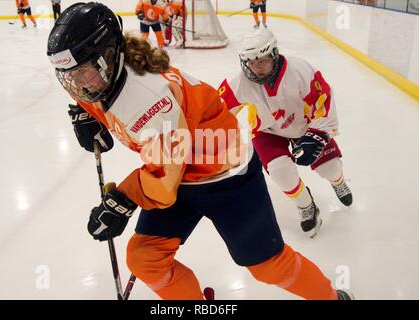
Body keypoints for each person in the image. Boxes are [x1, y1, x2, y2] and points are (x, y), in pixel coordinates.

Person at [47, 2, 353, 300]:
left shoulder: (150, 100)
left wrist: (122, 199)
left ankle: (329, 297)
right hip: (183, 172)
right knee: (145, 259)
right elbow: (100, 98)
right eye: (69, 75)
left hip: (228, 178)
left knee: (268, 266)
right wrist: (90, 112)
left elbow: (164, 186)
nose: (77, 84)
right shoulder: (107, 74)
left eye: (83, 71)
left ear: (109, 56)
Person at [219, 29, 353, 238]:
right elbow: (215, 111)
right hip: (267, 130)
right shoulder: (237, 84)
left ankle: (339, 182)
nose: (257, 68)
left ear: (274, 54)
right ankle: (306, 205)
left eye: (263, 60)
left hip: (305, 125)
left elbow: (324, 100)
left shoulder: (300, 70)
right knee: (280, 171)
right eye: (252, 62)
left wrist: (317, 134)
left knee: (330, 168)